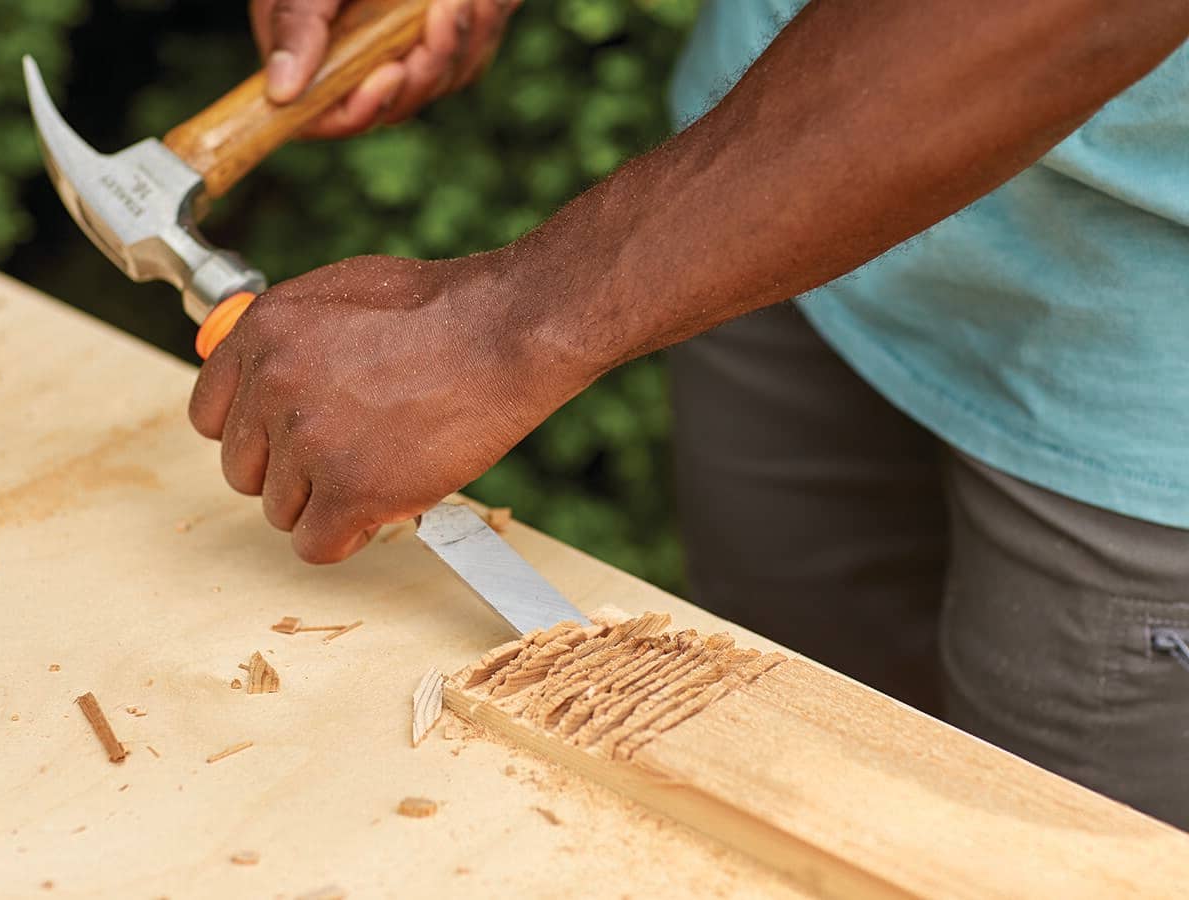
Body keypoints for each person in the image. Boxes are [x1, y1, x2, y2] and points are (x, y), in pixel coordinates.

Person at [188, 0, 1189, 827]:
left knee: (1032, 857)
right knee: (763, 805)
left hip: (1144, 381)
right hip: (762, 214)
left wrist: (506, 330)